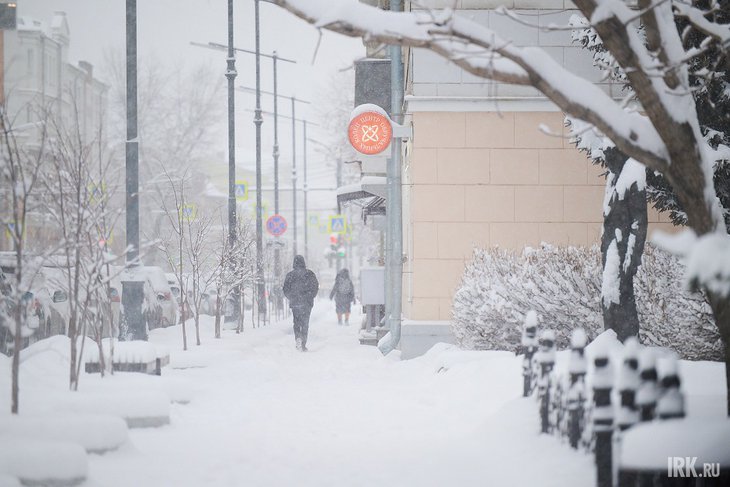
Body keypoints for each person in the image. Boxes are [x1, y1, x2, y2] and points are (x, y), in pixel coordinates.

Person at [282, 255, 319, 351]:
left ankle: (298, 337)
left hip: (295, 303)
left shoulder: (290, 275)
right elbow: (315, 287)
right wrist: (310, 296)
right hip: (307, 303)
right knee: (305, 323)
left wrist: (291, 297)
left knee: (296, 322)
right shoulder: (310, 274)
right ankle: (303, 343)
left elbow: (285, 289)